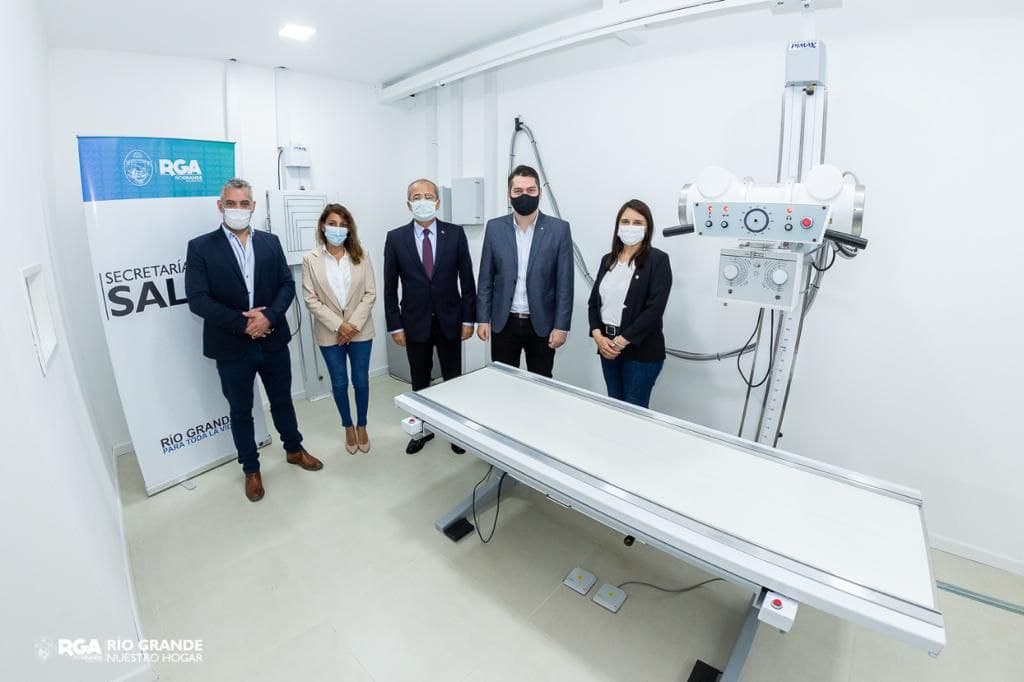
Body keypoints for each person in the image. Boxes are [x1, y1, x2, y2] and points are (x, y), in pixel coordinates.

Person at [185, 178, 323, 502]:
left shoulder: (271, 243)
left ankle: (294, 449)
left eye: (243, 203)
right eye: (231, 203)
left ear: (253, 207)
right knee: (241, 410)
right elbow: (198, 299)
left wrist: (268, 317)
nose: (237, 209)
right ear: (220, 206)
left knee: (282, 400)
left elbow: (286, 285)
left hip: (272, 340)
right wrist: (244, 324)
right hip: (231, 346)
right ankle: (251, 469)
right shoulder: (201, 247)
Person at [384, 178, 477, 455]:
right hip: (414, 322)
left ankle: (455, 432)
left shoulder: (455, 234)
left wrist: (469, 319)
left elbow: (467, 281)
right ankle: (422, 430)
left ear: (437, 202)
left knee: (453, 379)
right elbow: (389, 287)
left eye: (428, 196)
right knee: (420, 380)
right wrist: (395, 325)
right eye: (416, 197)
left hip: (451, 320)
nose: (422, 201)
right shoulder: (396, 238)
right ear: (408, 204)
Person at [476, 165, 573, 378]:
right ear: (509, 194)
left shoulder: (559, 229)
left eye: (531, 190)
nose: (524, 195)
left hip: (542, 324)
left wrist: (561, 326)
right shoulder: (494, 228)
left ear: (540, 192)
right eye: (518, 191)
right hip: (504, 322)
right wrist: (482, 319)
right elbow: (485, 278)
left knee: (540, 382)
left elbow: (565, 283)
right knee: (503, 380)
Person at [302, 204, 376, 455]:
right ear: (323, 226)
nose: (338, 229)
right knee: (340, 382)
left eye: (343, 225)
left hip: (360, 330)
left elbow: (370, 293)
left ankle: (362, 424)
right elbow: (311, 299)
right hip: (329, 332)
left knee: (361, 380)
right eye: (332, 223)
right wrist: (339, 326)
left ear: (349, 229)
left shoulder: (362, 255)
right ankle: (348, 426)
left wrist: (352, 326)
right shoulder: (310, 259)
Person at [588, 199, 673, 409]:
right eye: (625, 221)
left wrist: (621, 341)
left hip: (641, 353)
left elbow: (654, 310)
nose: (630, 227)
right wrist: (598, 337)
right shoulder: (608, 260)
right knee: (614, 406)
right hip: (607, 347)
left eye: (638, 222)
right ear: (618, 226)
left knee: (634, 412)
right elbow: (594, 304)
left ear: (648, 228)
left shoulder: (658, 260)